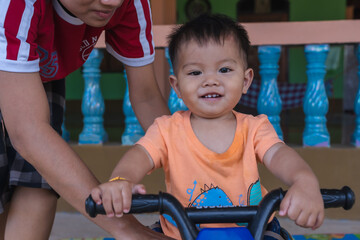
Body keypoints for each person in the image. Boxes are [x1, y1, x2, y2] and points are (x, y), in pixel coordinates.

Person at [90, 14, 325, 240]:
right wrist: (122, 180)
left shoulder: (255, 128)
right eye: (195, 72)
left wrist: (304, 180)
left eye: (224, 70)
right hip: (181, 232)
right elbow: (139, 155)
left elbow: (280, 156)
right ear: (177, 86)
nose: (210, 80)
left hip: (255, 228)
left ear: (245, 81)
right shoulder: (166, 130)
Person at [0, 0, 170, 239]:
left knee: (40, 181)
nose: (112, 2)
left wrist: (200, 170)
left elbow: (146, 97)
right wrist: (129, 230)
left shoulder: (130, 3)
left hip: (38, 75)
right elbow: (28, 133)